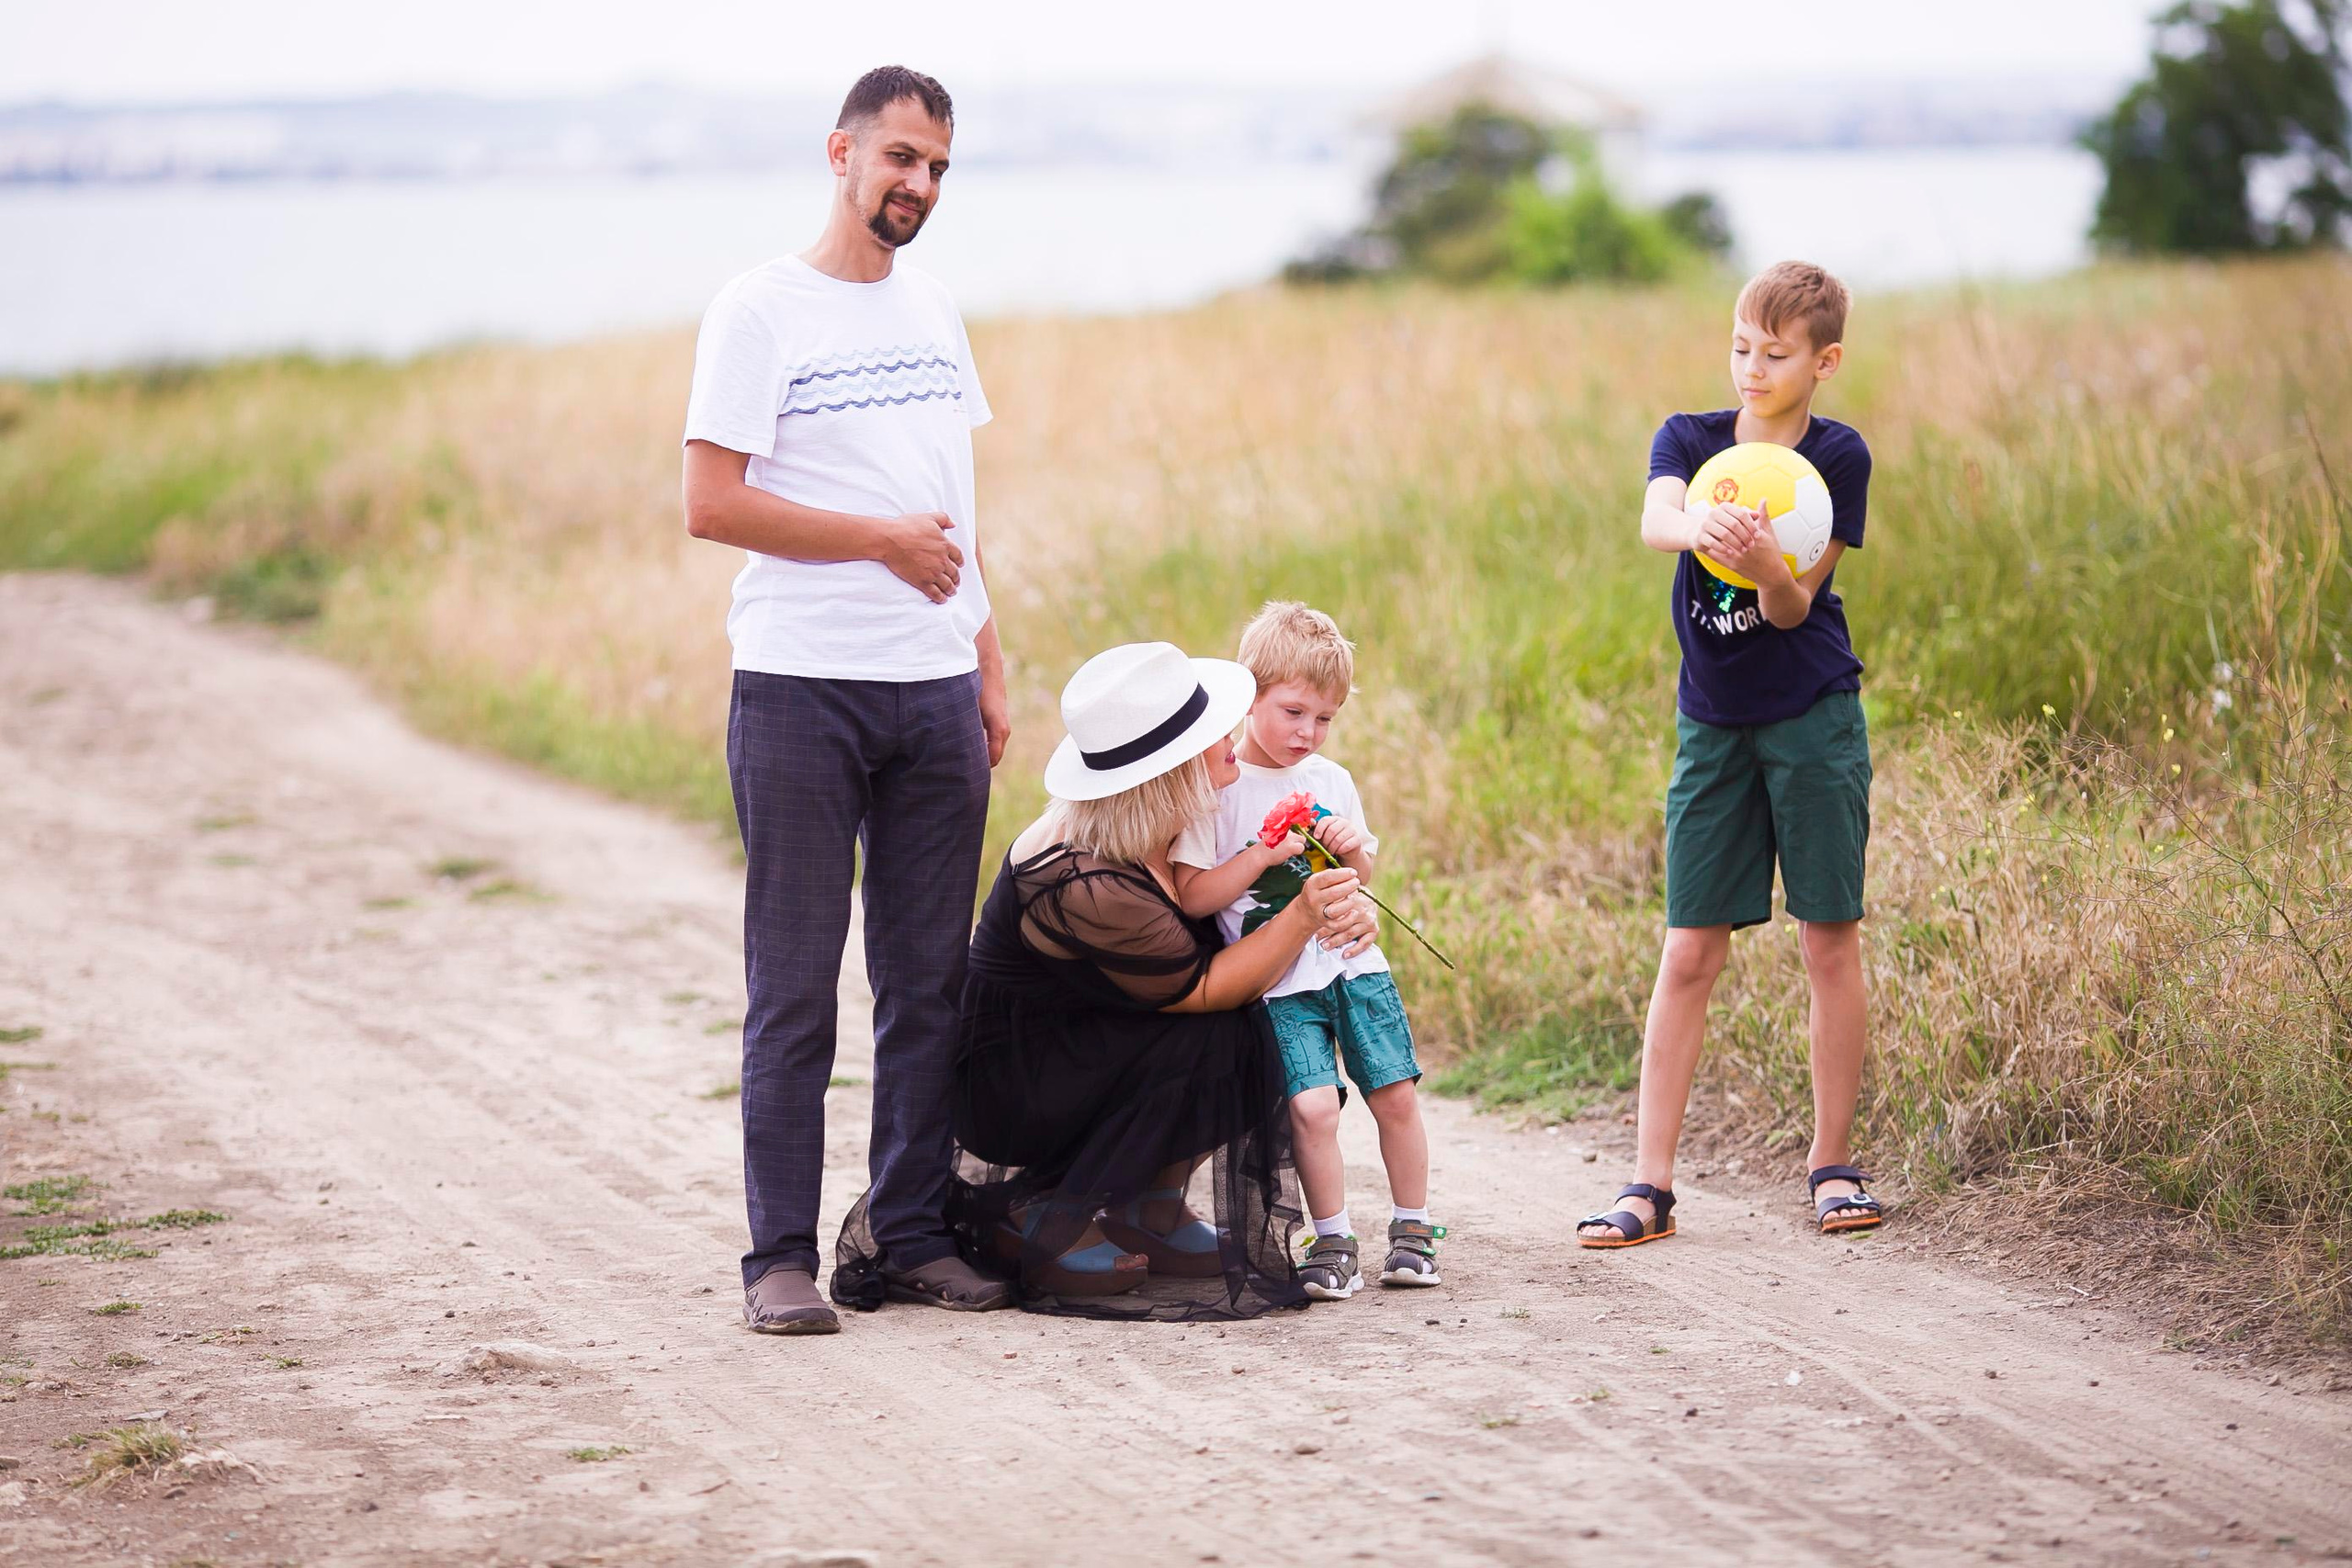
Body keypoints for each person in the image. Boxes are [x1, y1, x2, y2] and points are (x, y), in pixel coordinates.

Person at [680, 65, 1014, 1334]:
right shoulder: (759, 309)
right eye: (900, 160)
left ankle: (907, 1233)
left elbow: (956, 512)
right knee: (796, 984)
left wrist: (986, 660)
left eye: (937, 167)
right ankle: (777, 1258)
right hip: (799, 688)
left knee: (930, 984)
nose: (919, 186)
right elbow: (712, 503)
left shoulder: (935, 312)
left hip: (933, 693)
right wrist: (878, 541)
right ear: (841, 153)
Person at [835, 641, 1380, 1320]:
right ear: (1173, 769)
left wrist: (1343, 889)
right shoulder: (1086, 876)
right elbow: (1205, 987)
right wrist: (1304, 914)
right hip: (1025, 1081)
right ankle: (1045, 1208)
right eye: (1216, 736)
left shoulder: (1176, 817)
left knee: (1251, 1025)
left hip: (1100, 1036)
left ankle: (1150, 1206)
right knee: (1230, 1019)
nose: (1234, 742)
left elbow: (1244, 914)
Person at [1578, 260, 1883, 1251]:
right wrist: (1699, 528)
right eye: (1740, 348)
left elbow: (1793, 606)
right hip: (1710, 724)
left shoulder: (1837, 460)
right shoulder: (1693, 440)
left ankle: (1831, 1167)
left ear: (1823, 361)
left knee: (1825, 939)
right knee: (1688, 949)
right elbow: (1655, 519)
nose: (1751, 369)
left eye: (1776, 353)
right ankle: (1648, 1186)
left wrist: (1766, 567)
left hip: (1811, 715)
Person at [1170, 603, 1442, 1299]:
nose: (1307, 733)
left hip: (1354, 966)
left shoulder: (1329, 778)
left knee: (1395, 1092)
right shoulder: (1218, 786)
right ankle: (1333, 1238)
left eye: (1325, 718)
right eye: (1293, 711)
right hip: (1279, 982)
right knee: (1313, 1108)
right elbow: (1195, 893)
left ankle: (1413, 1230)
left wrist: (1352, 851)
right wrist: (1264, 852)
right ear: (1248, 694)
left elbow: (1363, 873)